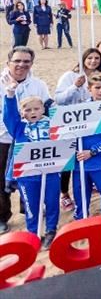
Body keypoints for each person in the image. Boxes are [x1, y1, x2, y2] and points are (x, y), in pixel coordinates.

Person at [1, 76, 59, 248]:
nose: (32, 112)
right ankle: (33, 233)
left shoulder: (53, 125)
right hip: (27, 176)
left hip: (51, 172)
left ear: (43, 109)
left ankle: (51, 230)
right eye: (27, 110)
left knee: (52, 202)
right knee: (31, 205)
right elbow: (9, 116)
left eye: (36, 108)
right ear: (22, 112)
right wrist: (10, 95)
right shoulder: (19, 127)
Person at [0, 46, 51, 232]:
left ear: (31, 63)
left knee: (30, 174)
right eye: (17, 61)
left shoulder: (38, 84)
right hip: (4, 138)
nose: (21, 64)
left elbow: (47, 107)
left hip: (31, 140)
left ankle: (29, 207)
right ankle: (2, 215)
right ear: (9, 62)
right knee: (1, 179)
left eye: (26, 61)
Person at [73, 74, 101, 239]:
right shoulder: (80, 107)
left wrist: (93, 151)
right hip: (80, 160)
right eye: (97, 87)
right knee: (80, 191)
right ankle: (81, 219)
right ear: (89, 89)